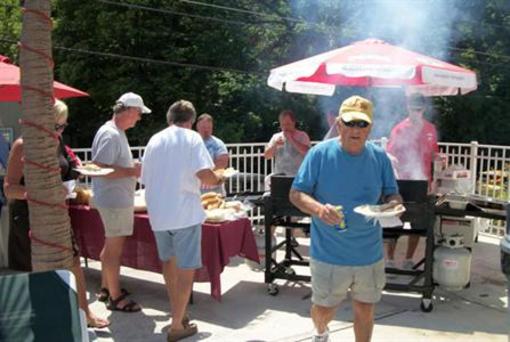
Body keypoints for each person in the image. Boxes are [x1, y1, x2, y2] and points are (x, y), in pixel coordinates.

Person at [289, 95, 402, 342]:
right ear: (339, 125)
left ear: (370, 128)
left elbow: (392, 191)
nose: (355, 130)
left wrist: (394, 204)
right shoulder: (319, 154)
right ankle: (321, 332)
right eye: (350, 123)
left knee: (365, 310)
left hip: (369, 253)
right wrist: (319, 209)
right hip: (329, 253)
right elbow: (296, 194)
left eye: (362, 124)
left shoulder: (379, 157)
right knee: (325, 310)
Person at [3, 100, 109, 328]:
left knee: (73, 261)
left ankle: (85, 314)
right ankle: (39, 322)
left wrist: (78, 170)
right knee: (34, 271)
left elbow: (69, 170)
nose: (60, 131)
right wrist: (44, 192)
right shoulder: (23, 145)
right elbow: (9, 188)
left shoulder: (58, 142)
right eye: (55, 126)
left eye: (63, 126)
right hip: (28, 216)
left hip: (58, 215)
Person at [141, 100, 225, 342]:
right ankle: (177, 325)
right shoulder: (192, 138)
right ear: (190, 120)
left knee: (169, 262)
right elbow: (205, 175)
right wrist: (219, 178)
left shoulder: (155, 139)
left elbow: (145, 176)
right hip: (183, 212)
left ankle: (178, 313)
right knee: (186, 268)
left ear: (170, 118)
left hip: (158, 213)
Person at [91, 92, 150, 312]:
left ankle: (107, 288)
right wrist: (131, 170)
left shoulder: (113, 132)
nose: (139, 118)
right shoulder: (111, 134)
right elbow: (100, 168)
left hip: (113, 199)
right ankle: (115, 297)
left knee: (110, 248)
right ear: (128, 111)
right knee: (114, 251)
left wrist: (129, 168)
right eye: (138, 113)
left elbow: (103, 165)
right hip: (114, 200)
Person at [386, 93, 439, 270]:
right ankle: (390, 260)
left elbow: (434, 154)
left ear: (424, 109)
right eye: (412, 108)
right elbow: (390, 156)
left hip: (422, 181)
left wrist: (439, 160)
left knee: (417, 223)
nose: (415, 112)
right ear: (407, 107)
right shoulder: (399, 129)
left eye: (419, 109)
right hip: (402, 182)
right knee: (395, 221)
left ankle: (409, 259)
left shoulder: (430, 129)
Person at [264, 109, 310, 179]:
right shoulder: (276, 137)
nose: (285, 127)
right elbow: (267, 156)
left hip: (298, 176)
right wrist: (275, 145)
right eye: (283, 124)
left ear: (294, 122)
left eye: (288, 124)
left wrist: (292, 139)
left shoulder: (302, 135)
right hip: (279, 176)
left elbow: (307, 153)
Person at [195, 113, 229, 194]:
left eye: (208, 127)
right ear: (197, 127)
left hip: (215, 188)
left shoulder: (218, 143)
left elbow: (223, 162)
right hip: (194, 188)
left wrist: (205, 174)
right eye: (203, 127)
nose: (206, 130)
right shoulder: (191, 143)